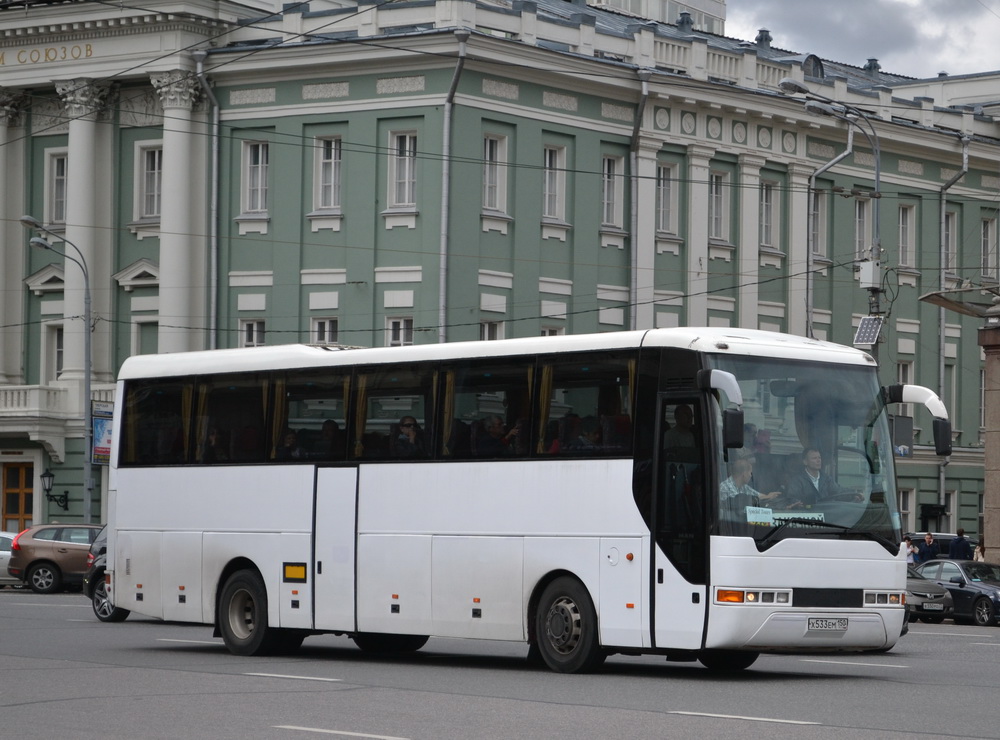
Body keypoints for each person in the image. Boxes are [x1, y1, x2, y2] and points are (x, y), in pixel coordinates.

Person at [783, 448, 850, 508]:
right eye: (814, 458)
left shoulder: (827, 479)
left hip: (827, 516)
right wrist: (798, 504)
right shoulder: (797, 481)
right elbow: (792, 499)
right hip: (806, 517)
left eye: (819, 458)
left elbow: (839, 492)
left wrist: (854, 495)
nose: (818, 460)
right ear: (805, 462)